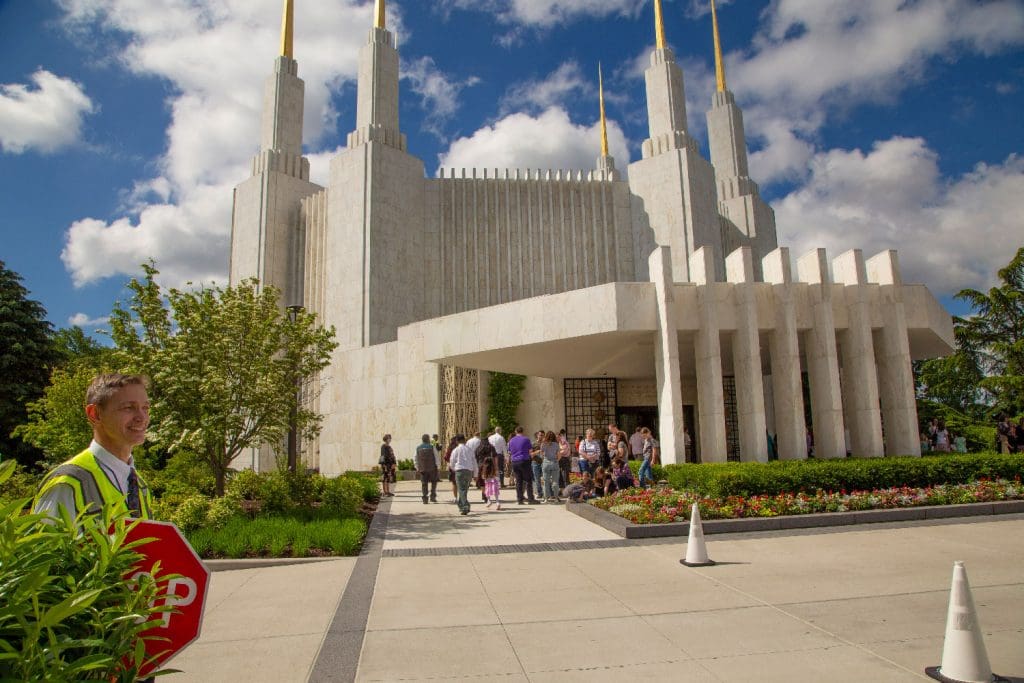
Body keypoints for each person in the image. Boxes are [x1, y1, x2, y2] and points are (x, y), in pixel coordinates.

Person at [34, 373, 154, 521]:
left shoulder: (139, 486)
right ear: (95, 414)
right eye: (129, 408)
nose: (142, 417)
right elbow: (43, 544)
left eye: (145, 408)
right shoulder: (66, 484)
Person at [448, 434, 478, 515]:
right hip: (469, 471)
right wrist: (475, 474)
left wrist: (455, 469)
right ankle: (462, 506)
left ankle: (465, 506)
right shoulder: (470, 450)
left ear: (457, 441)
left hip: (459, 471)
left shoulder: (455, 450)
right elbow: (474, 462)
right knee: (465, 490)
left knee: (461, 490)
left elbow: (451, 462)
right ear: (464, 440)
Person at [508, 426, 538, 505]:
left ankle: (519, 499)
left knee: (518, 481)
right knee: (528, 480)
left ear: (515, 431)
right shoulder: (526, 439)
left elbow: (510, 452)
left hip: (515, 462)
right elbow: (530, 451)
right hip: (524, 461)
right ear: (523, 431)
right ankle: (531, 499)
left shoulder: (511, 441)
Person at [414, 434, 438, 504]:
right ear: (428, 439)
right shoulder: (432, 447)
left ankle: (425, 498)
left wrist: (417, 467)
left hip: (422, 469)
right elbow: (436, 457)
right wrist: (438, 466)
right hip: (432, 468)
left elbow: (415, 458)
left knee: (424, 483)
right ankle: (432, 497)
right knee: (434, 482)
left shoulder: (418, 448)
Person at [540, 430, 561, 503]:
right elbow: (559, 455)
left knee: (546, 481)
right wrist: (556, 460)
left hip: (546, 463)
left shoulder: (543, 444)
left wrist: (545, 459)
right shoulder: (556, 445)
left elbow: (541, 454)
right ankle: (556, 497)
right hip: (554, 462)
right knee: (555, 481)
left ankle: (546, 498)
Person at [530, 431, 545, 500]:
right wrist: (537, 452)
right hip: (535, 463)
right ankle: (539, 493)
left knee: (545, 478)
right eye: (540, 435)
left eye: (542, 435)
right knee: (537, 479)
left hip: (544, 463)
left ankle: (546, 493)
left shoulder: (545, 444)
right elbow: (530, 454)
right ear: (537, 435)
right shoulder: (533, 443)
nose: (541, 436)